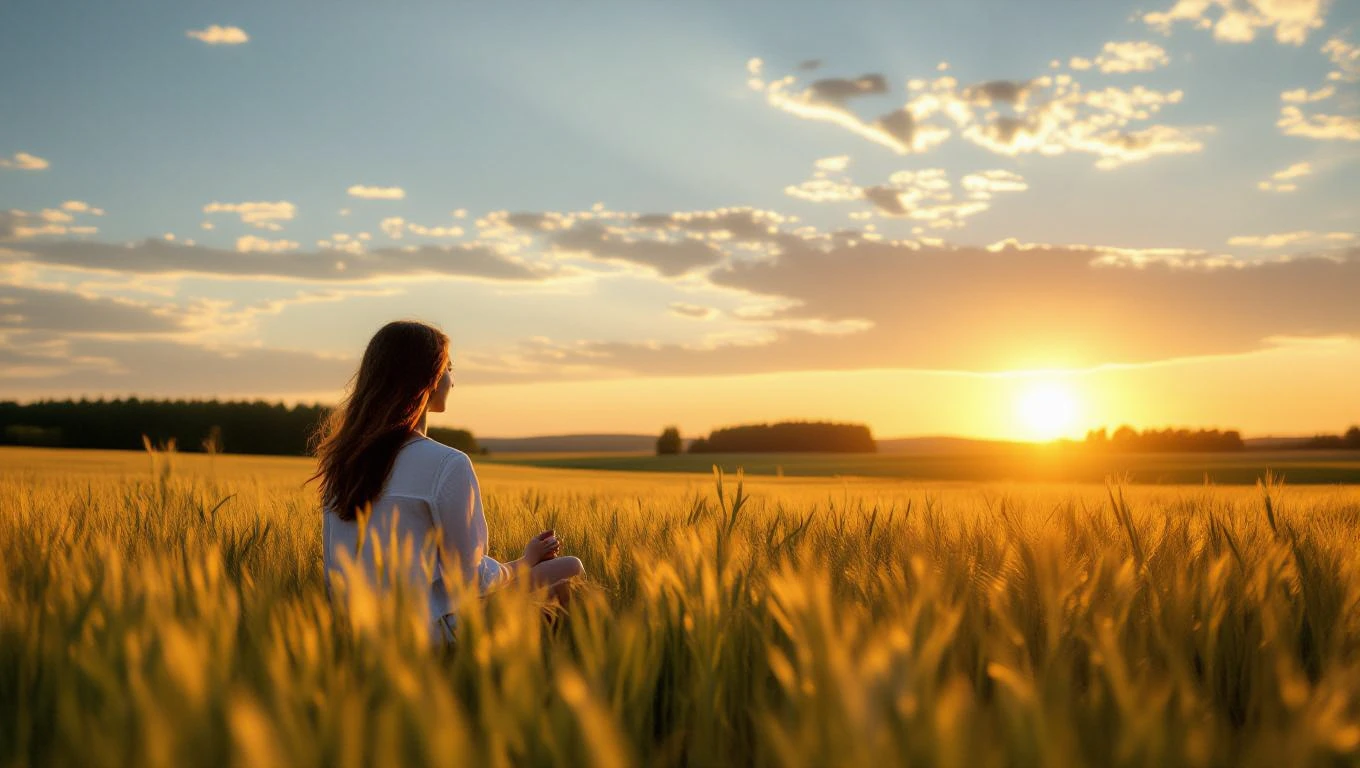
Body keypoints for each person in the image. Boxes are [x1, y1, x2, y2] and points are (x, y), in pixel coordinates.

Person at [310, 319, 584, 643]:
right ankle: (541, 675)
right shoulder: (447, 464)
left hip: (359, 631)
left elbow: (334, 576)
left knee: (562, 570)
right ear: (429, 378)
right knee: (570, 570)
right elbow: (470, 582)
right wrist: (525, 561)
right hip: (434, 634)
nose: (453, 380)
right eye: (449, 368)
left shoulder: (342, 464)